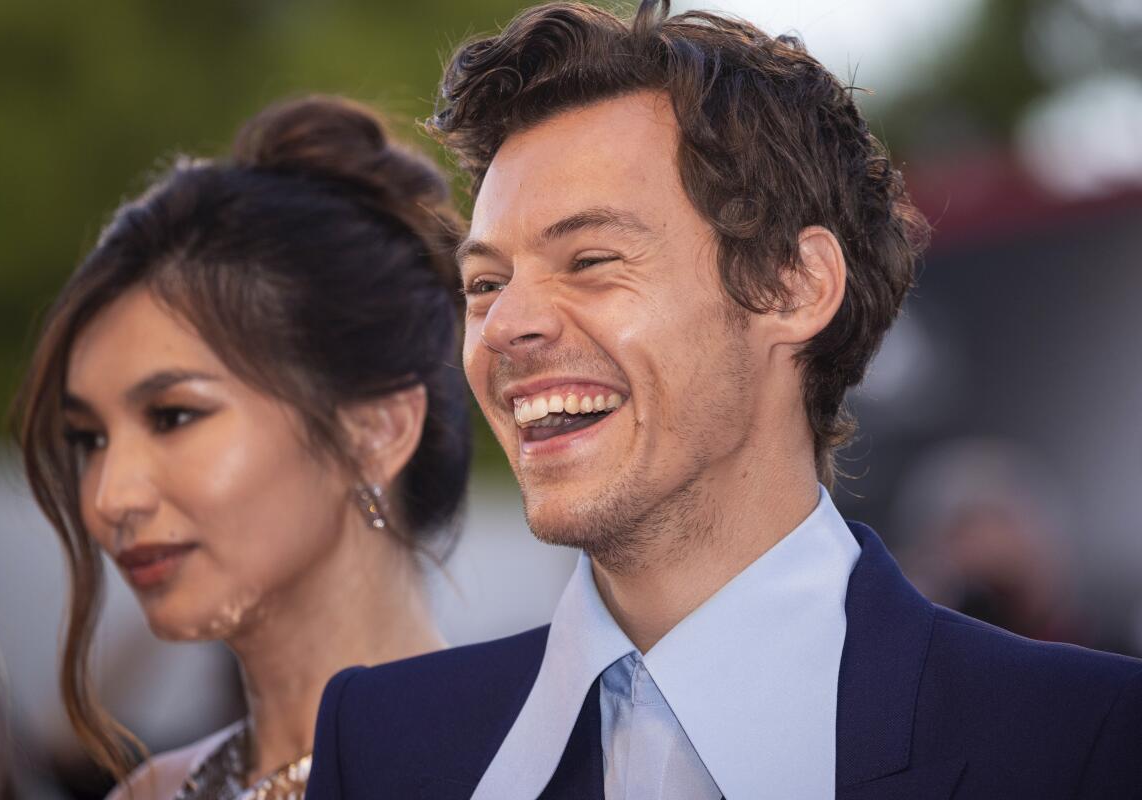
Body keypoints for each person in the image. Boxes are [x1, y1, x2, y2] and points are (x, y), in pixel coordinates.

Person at [305, 2, 1142, 799]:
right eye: (486, 282)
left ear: (794, 286)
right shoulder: (378, 745)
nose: (504, 327)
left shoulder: (1083, 739)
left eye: (591, 260)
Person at [14, 95, 470, 799]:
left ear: (375, 431)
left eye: (172, 416)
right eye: (88, 438)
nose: (109, 497)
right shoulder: (148, 793)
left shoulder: (530, 769)